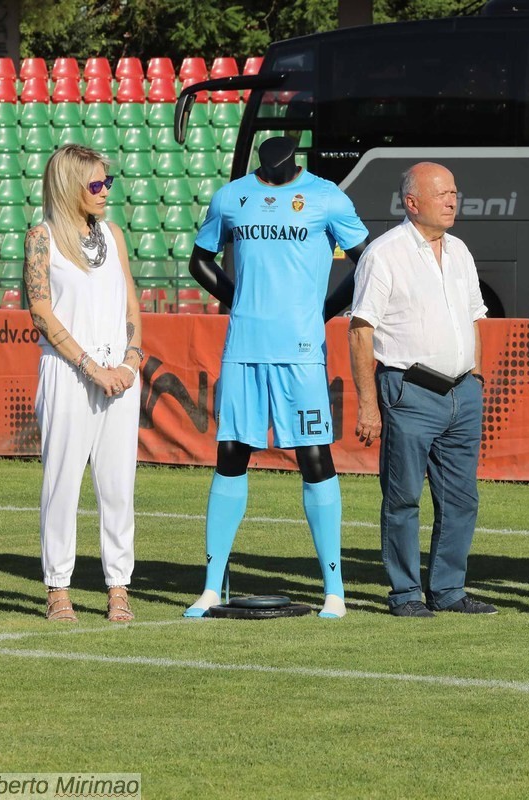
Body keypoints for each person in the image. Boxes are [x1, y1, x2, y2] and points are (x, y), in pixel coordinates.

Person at [183, 137, 368, 620]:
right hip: (244, 349)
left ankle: (334, 591)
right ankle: (210, 588)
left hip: (303, 354)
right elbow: (199, 261)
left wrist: (325, 310)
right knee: (230, 455)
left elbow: (366, 260)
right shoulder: (231, 197)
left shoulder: (328, 197)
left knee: (314, 456)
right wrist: (238, 298)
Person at [348, 162, 495, 618]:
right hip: (409, 390)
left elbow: (477, 318)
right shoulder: (384, 253)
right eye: (443, 194)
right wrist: (368, 405)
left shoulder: (460, 251)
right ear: (413, 203)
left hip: (462, 393)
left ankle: (449, 590)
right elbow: (360, 330)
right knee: (403, 497)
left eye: (455, 192)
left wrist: (476, 379)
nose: (454, 200)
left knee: (461, 498)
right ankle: (406, 593)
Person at [24, 144, 143, 623]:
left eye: (107, 182)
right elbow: (40, 310)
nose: (104, 191)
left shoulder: (113, 235)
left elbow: (132, 305)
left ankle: (118, 586)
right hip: (69, 372)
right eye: (96, 184)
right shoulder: (42, 238)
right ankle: (58, 588)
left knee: (119, 486)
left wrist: (131, 362)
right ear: (70, 185)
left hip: (121, 373)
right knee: (62, 483)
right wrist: (91, 366)